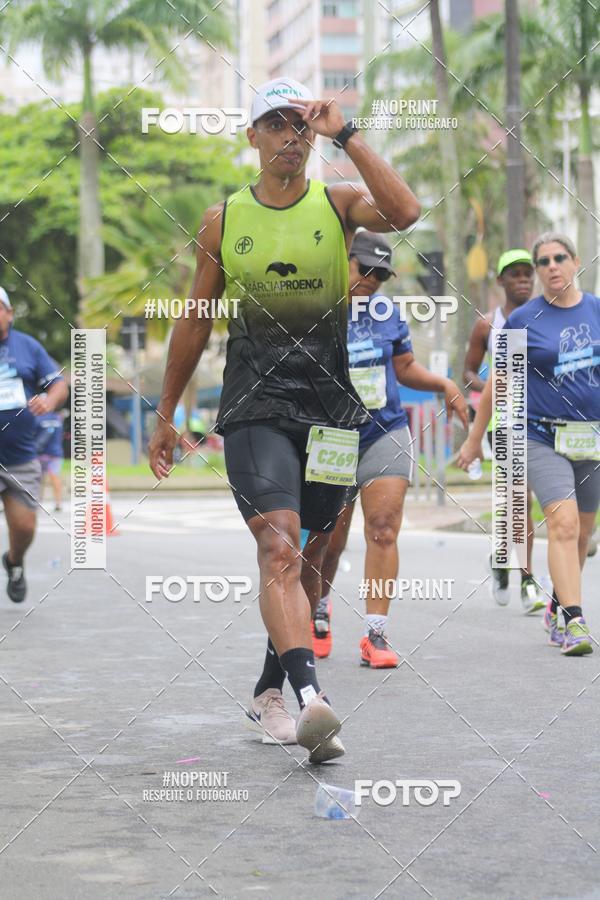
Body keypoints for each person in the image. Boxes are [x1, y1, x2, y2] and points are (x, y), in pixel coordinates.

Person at [148, 77, 420, 760]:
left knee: (311, 557)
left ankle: (271, 688)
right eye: (276, 124)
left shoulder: (338, 205)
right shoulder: (226, 219)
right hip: (254, 404)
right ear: (252, 137)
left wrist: (347, 132)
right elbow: (195, 319)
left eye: (300, 124)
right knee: (279, 543)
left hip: (329, 408)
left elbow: (407, 211)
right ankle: (309, 698)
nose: (290, 137)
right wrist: (166, 411)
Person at [312, 232, 469, 666]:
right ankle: (317, 607)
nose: (372, 279)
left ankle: (374, 636)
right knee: (329, 535)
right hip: (330, 436)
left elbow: (403, 368)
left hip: (385, 429)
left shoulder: (388, 313)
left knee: (382, 526)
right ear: (343, 262)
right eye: (365, 268)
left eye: (381, 273)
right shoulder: (314, 309)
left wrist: (443, 383)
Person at [458, 233, 599, 656]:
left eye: (560, 258)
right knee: (563, 521)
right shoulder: (523, 319)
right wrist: (474, 438)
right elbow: (498, 382)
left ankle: (556, 604)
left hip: (590, 436)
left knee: (582, 536)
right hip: (537, 434)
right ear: (538, 271)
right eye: (544, 262)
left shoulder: (596, 310)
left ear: (575, 262)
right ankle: (575, 621)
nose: (552, 266)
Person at [463, 249, 545, 613]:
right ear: (500, 281)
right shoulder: (487, 324)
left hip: (545, 418)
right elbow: (468, 371)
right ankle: (528, 580)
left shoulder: (546, 316)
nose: (523, 279)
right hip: (505, 422)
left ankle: (500, 558)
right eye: (514, 274)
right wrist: (489, 392)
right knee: (518, 500)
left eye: (528, 273)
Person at [0, 287, 67, 602]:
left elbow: (58, 383)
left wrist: (50, 400)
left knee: (25, 526)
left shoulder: (28, 347)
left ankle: (14, 560)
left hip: (19, 455)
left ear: (10, 314)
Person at [35, 410, 64, 512]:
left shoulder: (38, 418)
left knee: (39, 479)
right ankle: (58, 503)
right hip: (56, 453)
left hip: (41, 454)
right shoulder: (57, 418)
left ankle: (37, 502)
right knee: (55, 477)